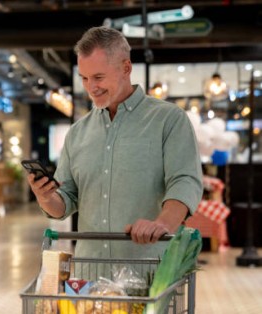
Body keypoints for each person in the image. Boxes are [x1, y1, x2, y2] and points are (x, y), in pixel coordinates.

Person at [27, 26, 203, 261]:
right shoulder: (77, 133)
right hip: (89, 276)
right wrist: (47, 198)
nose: (91, 87)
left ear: (126, 68)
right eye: (85, 78)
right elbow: (65, 201)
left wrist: (161, 224)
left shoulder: (168, 120)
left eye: (98, 77)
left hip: (148, 271)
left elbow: (185, 180)